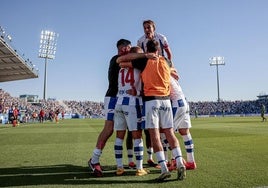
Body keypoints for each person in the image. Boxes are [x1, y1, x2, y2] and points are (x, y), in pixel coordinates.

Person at [117, 40, 186, 181]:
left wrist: (142, 57)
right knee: (169, 133)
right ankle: (179, 162)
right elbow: (173, 70)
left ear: (147, 51)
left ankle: (164, 168)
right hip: (166, 100)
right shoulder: (166, 60)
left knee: (154, 135)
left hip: (151, 100)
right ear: (158, 49)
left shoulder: (144, 61)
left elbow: (121, 61)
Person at [88, 39, 133, 177]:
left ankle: (129, 161)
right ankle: (94, 160)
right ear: (123, 48)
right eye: (129, 48)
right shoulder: (116, 59)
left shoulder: (121, 58)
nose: (130, 50)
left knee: (123, 130)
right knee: (108, 129)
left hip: (120, 98)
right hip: (113, 98)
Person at [138, 20, 173, 167]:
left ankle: (166, 158)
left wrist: (169, 66)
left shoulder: (162, 37)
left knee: (163, 127)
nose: (147, 30)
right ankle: (153, 157)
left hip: (162, 71)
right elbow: (140, 55)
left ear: (154, 28)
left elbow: (169, 53)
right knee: (152, 127)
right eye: (145, 28)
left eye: (149, 27)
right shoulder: (140, 41)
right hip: (149, 75)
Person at [114, 46, 148, 176]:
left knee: (119, 137)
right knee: (137, 136)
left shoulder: (122, 66)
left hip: (119, 102)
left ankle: (119, 168)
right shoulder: (139, 66)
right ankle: (139, 168)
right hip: (133, 102)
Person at [165, 67, 197, 171]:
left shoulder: (164, 74)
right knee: (185, 132)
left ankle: (174, 161)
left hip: (176, 104)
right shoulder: (170, 74)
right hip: (184, 102)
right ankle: (191, 161)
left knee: (168, 133)